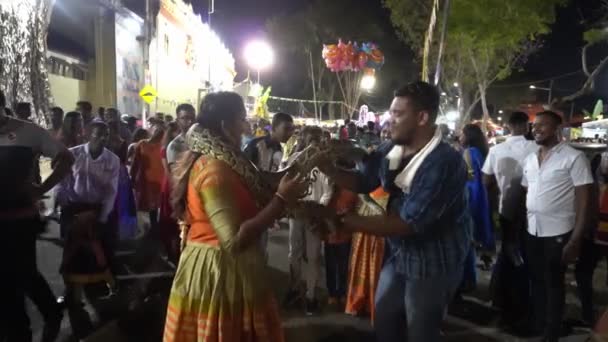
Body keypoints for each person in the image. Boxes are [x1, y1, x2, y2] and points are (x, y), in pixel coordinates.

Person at [318, 81, 472, 341]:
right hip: (401, 253)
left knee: (421, 332)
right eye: (391, 113)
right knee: (386, 321)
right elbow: (364, 181)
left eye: (398, 114)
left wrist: (344, 220)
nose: (389, 121)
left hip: (433, 262)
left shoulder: (444, 162)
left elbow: (408, 223)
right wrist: (327, 166)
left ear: (422, 117)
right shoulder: (392, 148)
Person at [163, 91, 305, 342]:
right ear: (224, 125)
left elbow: (261, 182)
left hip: (230, 269)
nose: (246, 125)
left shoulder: (227, 162)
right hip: (218, 275)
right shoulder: (214, 169)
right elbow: (232, 240)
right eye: (241, 119)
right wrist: (281, 200)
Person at [0, 90, 73, 342]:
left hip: (21, 219)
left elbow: (66, 157)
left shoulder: (29, 132)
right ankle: (24, 327)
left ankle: (44, 317)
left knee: (23, 274)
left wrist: (41, 188)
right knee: (8, 278)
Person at [521, 110, 593, 341]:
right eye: (534, 126)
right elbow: (528, 189)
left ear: (557, 129)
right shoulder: (530, 159)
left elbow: (584, 202)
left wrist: (575, 240)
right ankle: (540, 324)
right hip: (533, 230)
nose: (537, 129)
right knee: (536, 280)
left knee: (553, 283)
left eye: (543, 125)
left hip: (559, 232)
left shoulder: (573, 157)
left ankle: (551, 332)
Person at [55, 121, 119, 339]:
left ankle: (100, 287)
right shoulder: (72, 155)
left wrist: (102, 217)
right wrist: (64, 211)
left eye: (105, 135)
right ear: (86, 133)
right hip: (72, 210)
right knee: (70, 252)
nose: (101, 138)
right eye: (97, 134)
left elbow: (111, 191)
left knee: (96, 251)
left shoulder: (112, 160)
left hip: (94, 210)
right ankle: (69, 293)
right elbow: (62, 184)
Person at [482, 111, 538, 325]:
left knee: (507, 249)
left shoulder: (496, 149)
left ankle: (500, 296)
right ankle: (521, 299)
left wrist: (502, 188)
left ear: (507, 125)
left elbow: (486, 181)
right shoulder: (536, 149)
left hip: (505, 208)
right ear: (526, 126)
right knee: (525, 252)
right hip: (530, 211)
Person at [284, 126, 333, 315]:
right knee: (293, 253)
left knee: (313, 257)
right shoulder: (294, 160)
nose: (314, 142)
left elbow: (329, 190)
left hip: (314, 214)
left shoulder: (325, 161)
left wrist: (318, 212)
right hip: (296, 213)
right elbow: (286, 186)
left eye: (317, 138)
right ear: (303, 139)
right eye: (310, 138)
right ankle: (294, 289)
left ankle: (311, 295)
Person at [345, 187, 389, 323]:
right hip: (370, 213)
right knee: (361, 260)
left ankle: (374, 305)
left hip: (384, 214)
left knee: (378, 263)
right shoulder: (372, 173)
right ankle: (361, 301)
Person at [459, 124, 494, 291]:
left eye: (462, 134)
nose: (460, 137)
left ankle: (466, 281)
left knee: (465, 243)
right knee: (469, 244)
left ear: (469, 136)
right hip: (480, 199)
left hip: (469, 200)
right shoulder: (481, 152)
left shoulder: (468, 154)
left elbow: (469, 182)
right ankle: (469, 280)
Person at [130, 121, 165, 234]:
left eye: (160, 131)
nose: (157, 133)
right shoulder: (142, 144)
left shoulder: (165, 146)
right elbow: (135, 162)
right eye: (155, 130)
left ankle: (158, 227)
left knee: (160, 203)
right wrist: (132, 176)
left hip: (161, 178)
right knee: (151, 205)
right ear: (151, 131)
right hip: (146, 179)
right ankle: (153, 227)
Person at [159, 121, 181, 262]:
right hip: (172, 184)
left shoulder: (170, 146)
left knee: (173, 223)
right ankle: (173, 255)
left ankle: (173, 253)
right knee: (172, 222)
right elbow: (168, 171)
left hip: (172, 183)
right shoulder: (170, 147)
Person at [165, 103, 196, 169]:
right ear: (177, 121)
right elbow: (176, 176)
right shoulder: (174, 146)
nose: (190, 121)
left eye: (192, 118)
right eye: (185, 118)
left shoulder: (200, 141)